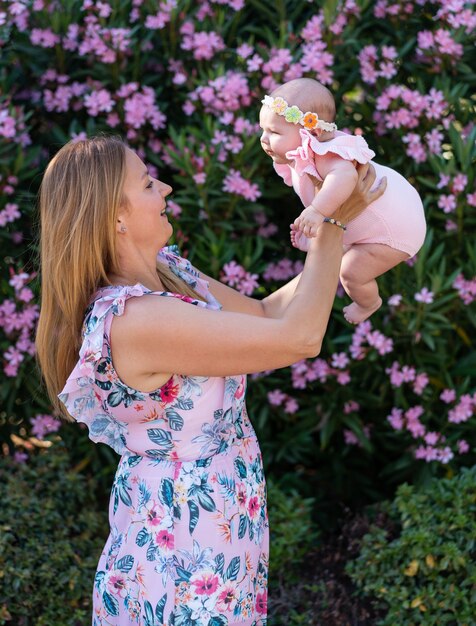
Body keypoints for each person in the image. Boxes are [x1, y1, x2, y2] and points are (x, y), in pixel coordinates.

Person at [35, 135, 384, 626]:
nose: (167, 188)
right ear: (115, 216)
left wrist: (350, 251)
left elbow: (267, 314)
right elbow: (298, 338)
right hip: (180, 546)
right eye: (148, 183)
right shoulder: (135, 319)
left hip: (219, 524)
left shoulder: (168, 274)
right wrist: (330, 221)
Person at [259, 78, 427, 324]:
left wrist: (316, 210)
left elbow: (346, 176)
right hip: (375, 220)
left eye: (274, 132)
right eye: (263, 129)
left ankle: (368, 303)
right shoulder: (300, 155)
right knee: (341, 252)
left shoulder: (328, 153)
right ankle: (329, 242)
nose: (264, 139)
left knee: (350, 272)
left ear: (312, 132)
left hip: (396, 229)